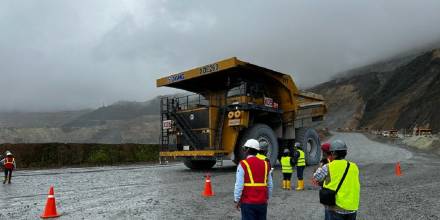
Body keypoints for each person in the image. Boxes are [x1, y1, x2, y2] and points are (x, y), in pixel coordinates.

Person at [313, 140, 360, 220]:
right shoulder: (354, 166)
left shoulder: (328, 167)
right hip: (352, 207)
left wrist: (321, 165)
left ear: (333, 153)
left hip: (337, 207)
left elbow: (316, 177)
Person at [234, 139, 273, 220]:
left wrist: (236, 199)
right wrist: (267, 198)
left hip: (248, 202)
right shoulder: (266, 164)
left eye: (244, 149)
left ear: (248, 150)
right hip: (262, 202)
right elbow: (270, 185)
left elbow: (239, 185)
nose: (244, 151)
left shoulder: (243, 164)